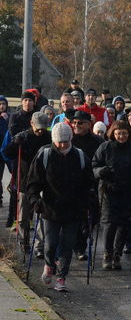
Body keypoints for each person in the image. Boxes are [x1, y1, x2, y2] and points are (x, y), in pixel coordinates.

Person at [26, 122, 94, 292]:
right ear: (54, 140)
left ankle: (61, 277)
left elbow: (88, 183)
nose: (63, 145)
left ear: (71, 139)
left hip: (73, 209)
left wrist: (89, 201)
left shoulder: (80, 156)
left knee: (67, 244)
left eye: (66, 141)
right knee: (50, 244)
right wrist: (35, 200)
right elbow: (33, 183)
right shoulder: (45, 155)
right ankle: (49, 265)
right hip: (50, 208)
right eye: (60, 142)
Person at [92, 120, 131, 270]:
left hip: (128, 191)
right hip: (109, 191)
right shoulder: (105, 147)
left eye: (125, 133)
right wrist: (100, 172)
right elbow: (94, 165)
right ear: (113, 133)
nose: (121, 136)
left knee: (124, 224)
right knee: (109, 224)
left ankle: (117, 254)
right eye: (119, 133)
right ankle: (107, 253)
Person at [3, 111, 51, 253]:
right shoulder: (23, 137)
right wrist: (14, 144)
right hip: (25, 181)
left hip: (43, 181)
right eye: (38, 128)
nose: (40, 131)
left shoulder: (49, 137)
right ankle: (24, 242)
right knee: (23, 217)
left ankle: (39, 245)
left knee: (42, 216)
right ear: (31, 124)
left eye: (43, 127)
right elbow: (6, 153)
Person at [70, 110, 102, 261]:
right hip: (73, 186)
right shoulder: (69, 140)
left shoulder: (98, 142)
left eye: (80, 123)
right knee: (76, 218)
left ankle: (84, 236)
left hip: (93, 186)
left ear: (89, 125)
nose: (76, 125)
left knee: (91, 219)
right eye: (74, 123)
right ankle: (78, 247)